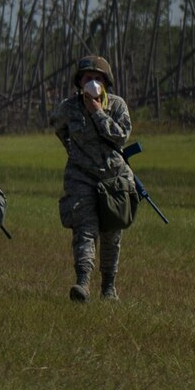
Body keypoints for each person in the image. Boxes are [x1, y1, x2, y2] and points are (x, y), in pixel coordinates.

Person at [51, 56, 133, 302]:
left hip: (113, 179)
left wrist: (98, 113)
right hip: (81, 178)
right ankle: (83, 282)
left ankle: (108, 287)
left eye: (98, 78)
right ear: (79, 82)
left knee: (111, 234)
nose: (93, 83)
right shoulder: (68, 107)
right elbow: (59, 129)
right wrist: (75, 152)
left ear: (106, 82)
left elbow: (121, 136)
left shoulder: (117, 106)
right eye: (88, 78)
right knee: (84, 230)